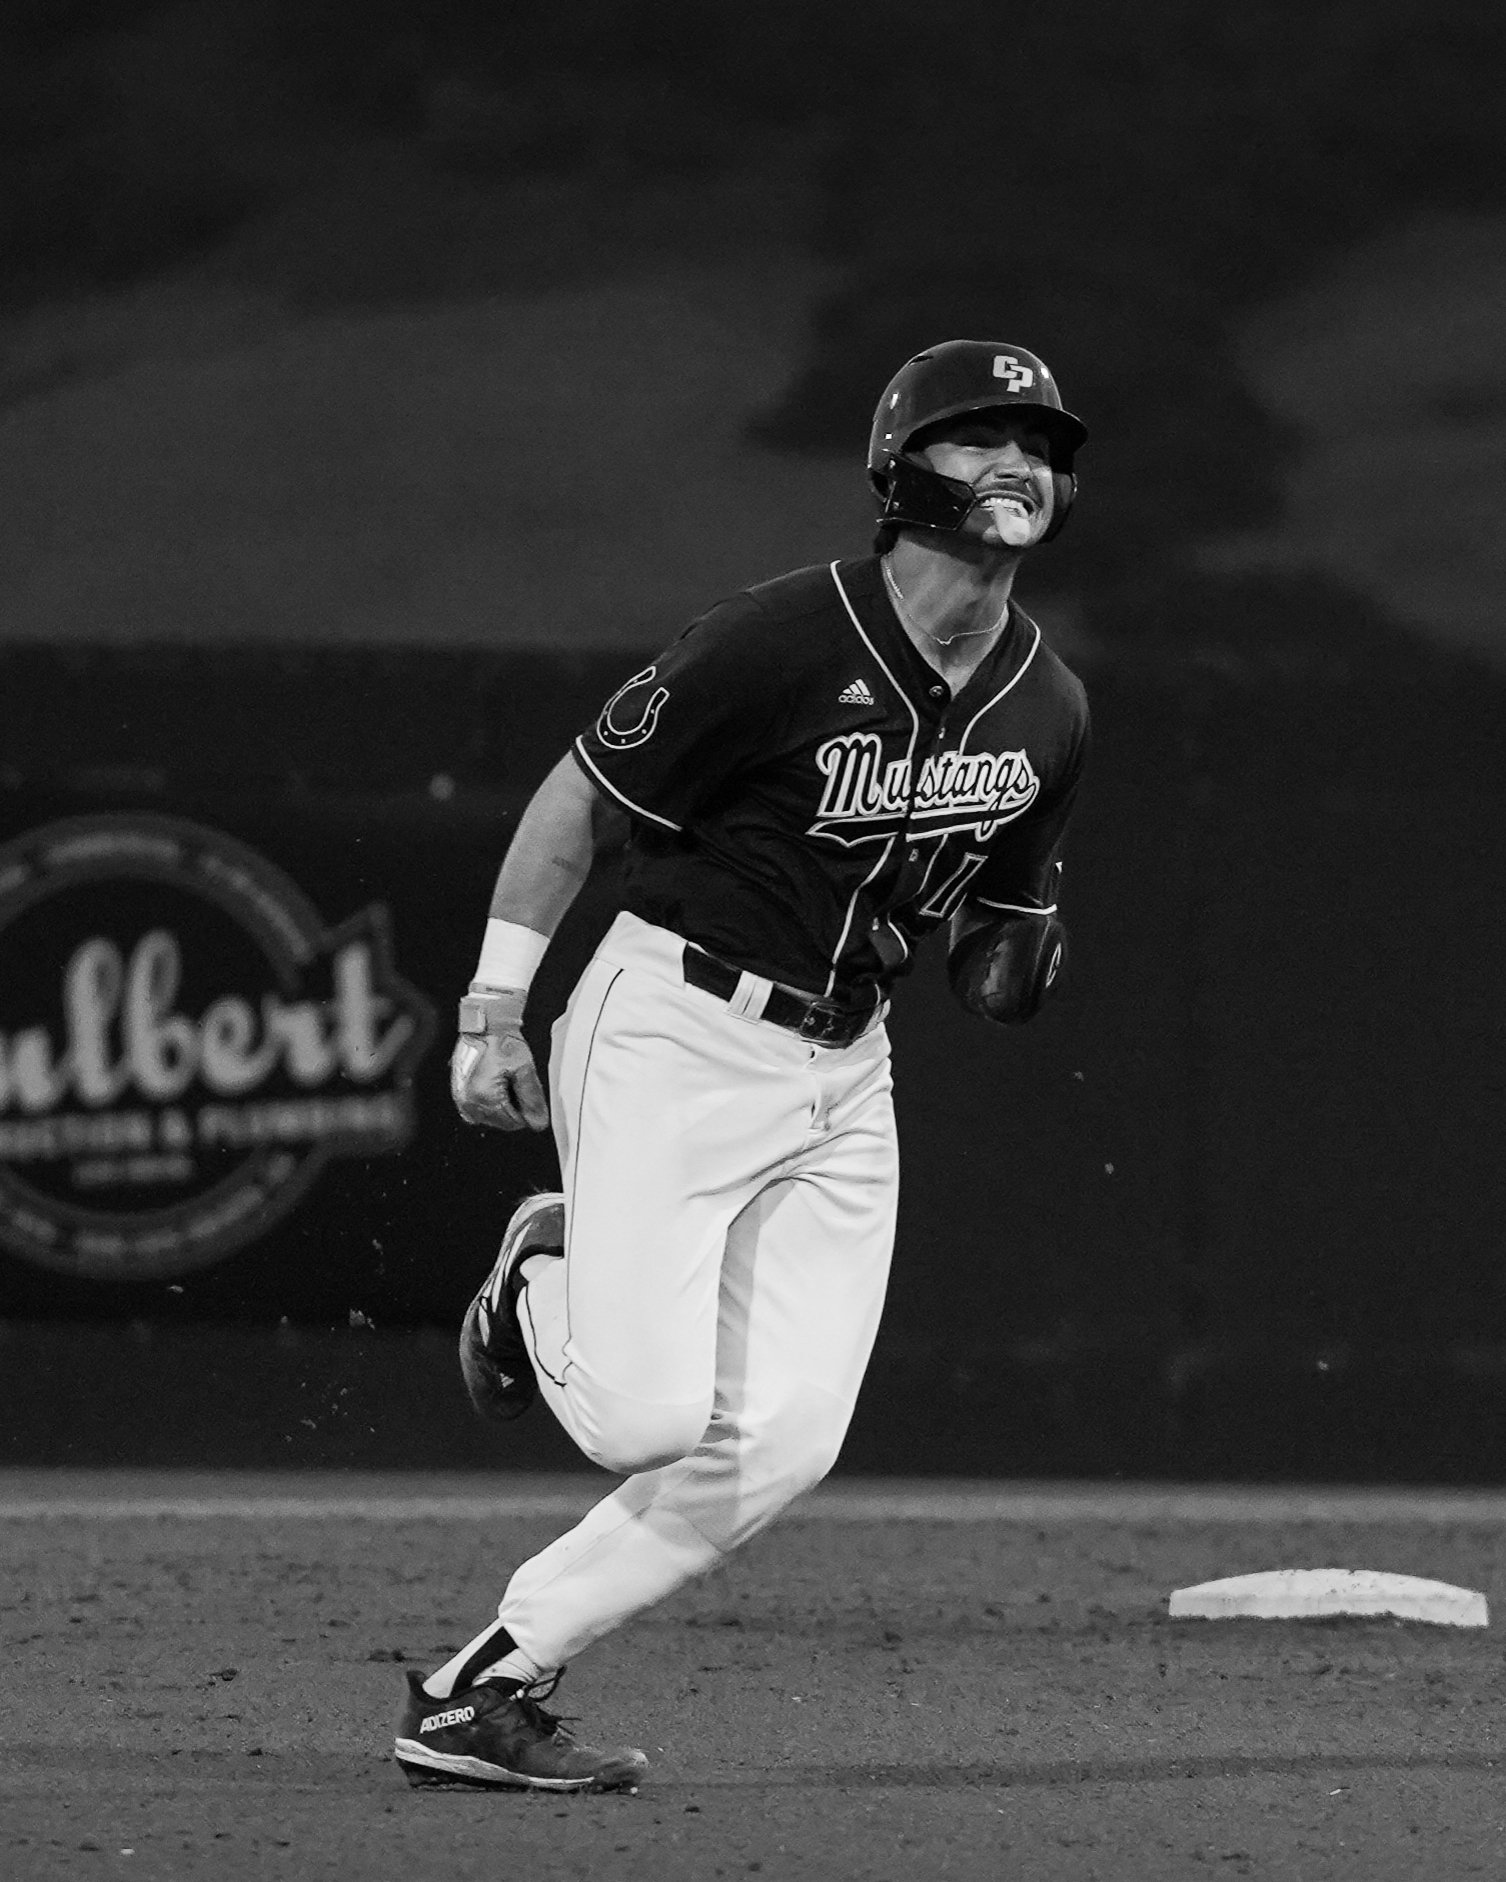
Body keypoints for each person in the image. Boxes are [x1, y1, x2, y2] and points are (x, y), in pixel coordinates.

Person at [393, 339, 1091, 1792]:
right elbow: (581, 800)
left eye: (1039, 443)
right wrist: (492, 1009)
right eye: (981, 436)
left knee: (782, 1441)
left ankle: (482, 1689)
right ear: (902, 471)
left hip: (847, 1069)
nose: (1020, 462)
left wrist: (1012, 947)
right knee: (644, 1420)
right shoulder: (780, 638)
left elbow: (1005, 905)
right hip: (677, 1023)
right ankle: (537, 1267)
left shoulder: (1050, 704)